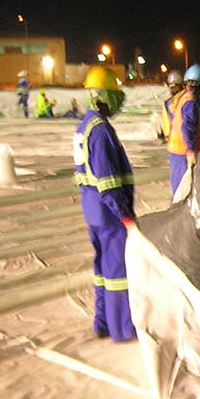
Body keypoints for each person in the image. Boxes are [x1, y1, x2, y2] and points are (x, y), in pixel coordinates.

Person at [73, 64, 137, 343]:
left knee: (101, 269)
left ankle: (103, 321)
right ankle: (122, 328)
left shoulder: (85, 125)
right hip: (108, 211)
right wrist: (125, 215)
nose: (118, 100)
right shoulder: (100, 131)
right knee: (117, 271)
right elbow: (108, 180)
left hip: (92, 208)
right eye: (115, 93)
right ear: (103, 96)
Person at [167, 63, 200, 197]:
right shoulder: (191, 102)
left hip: (183, 148)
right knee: (182, 188)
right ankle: (178, 213)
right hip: (181, 150)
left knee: (190, 185)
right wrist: (191, 151)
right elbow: (187, 128)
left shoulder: (193, 99)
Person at [155, 69, 184, 140]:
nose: (173, 89)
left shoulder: (186, 98)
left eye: (175, 86)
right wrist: (167, 134)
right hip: (175, 138)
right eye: (171, 87)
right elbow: (166, 118)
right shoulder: (167, 102)